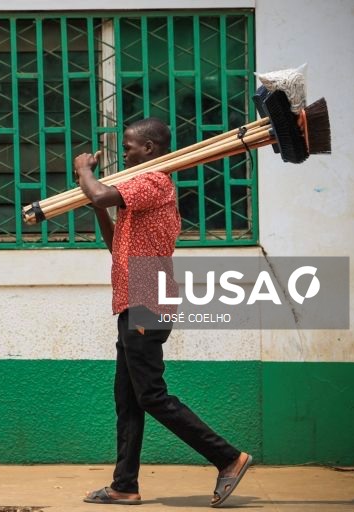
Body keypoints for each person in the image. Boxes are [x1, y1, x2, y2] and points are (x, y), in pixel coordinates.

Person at [74, 118, 252, 508]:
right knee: (128, 398)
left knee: (151, 395)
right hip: (133, 296)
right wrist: (94, 201)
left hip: (145, 297)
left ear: (150, 149)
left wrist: (86, 172)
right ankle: (125, 485)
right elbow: (113, 238)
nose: (124, 152)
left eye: (130, 146)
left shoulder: (152, 181)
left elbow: (104, 194)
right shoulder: (138, 191)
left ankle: (228, 458)